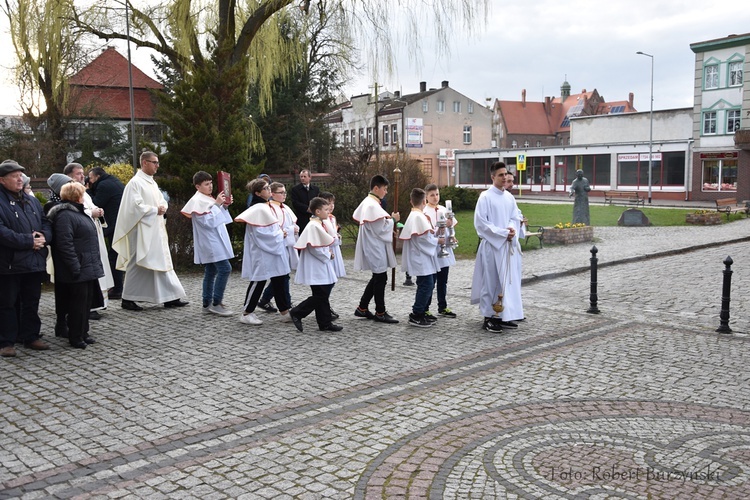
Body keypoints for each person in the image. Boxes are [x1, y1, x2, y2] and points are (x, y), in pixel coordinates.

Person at [112, 151, 188, 311]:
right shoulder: (135, 183)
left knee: (161, 261)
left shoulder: (151, 183)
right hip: (141, 231)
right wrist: (155, 210)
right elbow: (135, 206)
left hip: (155, 229)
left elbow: (161, 200)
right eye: (154, 162)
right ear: (144, 163)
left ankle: (169, 297)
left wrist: (163, 207)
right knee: (138, 262)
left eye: (157, 162)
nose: (157, 166)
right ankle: (127, 298)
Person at [0, 159, 51, 357]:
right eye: (14, 176)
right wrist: (28, 241)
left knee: (32, 301)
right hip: (9, 263)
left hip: (34, 261)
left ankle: (30, 336)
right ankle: (6, 342)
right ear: (2, 180)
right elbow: (2, 232)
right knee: (7, 303)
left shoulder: (31, 200)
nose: (19, 179)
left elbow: (45, 221)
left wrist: (44, 238)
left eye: (21, 175)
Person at [47, 182, 104, 349]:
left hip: (87, 266)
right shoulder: (65, 215)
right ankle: (75, 336)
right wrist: (75, 266)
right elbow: (65, 244)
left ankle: (83, 332)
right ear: (77, 196)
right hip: (77, 268)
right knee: (77, 304)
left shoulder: (78, 213)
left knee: (85, 303)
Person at [234, 178, 293, 325]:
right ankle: (247, 312)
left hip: (273, 249)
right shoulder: (258, 208)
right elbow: (261, 233)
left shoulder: (265, 206)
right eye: (266, 188)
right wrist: (281, 234)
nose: (269, 190)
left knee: (279, 278)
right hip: (263, 251)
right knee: (259, 281)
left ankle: (285, 311)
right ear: (258, 193)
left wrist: (280, 233)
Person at [470, 161, 518, 333]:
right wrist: (502, 233)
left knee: (506, 282)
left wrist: (512, 230)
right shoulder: (485, 197)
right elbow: (481, 224)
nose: (504, 177)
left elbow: (515, 217)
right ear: (492, 177)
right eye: (500, 175)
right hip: (492, 246)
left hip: (506, 246)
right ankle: (489, 317)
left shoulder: (509, 197)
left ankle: (504, 314)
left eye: (506, 174)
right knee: (490, 282)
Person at [181, 171, 235, 317]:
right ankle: (216, 303)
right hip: (210, 241)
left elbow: (218, 216)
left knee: (211, 270)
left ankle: (207, 303)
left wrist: (224, 206)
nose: (210, 186)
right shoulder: (197, 201)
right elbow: (208, 222)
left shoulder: (206, 198)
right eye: (206, 184)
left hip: (214, 238)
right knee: (225, 268)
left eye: (211, 183)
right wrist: (217, 205)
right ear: (198, 186)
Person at [63, 163, 114, 318]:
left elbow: (90, 207)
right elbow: (71, 210)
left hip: (94, 233)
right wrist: (92, 212)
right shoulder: (68, 191)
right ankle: (89, 307)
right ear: (69, 175)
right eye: (78, 173)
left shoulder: (84, 192)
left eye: (82, 173)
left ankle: (98, 303)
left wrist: (98, 211)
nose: (82, 176)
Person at [288, 197, 342, 332]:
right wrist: (328, 255)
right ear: (317, 211)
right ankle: (297, 312)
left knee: (322, 293)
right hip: (316, 265)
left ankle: (325, 323)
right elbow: (314, 247)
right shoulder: (313, 226)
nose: (328, 212)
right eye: (325, 210)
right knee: (321, 294)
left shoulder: (320, 223)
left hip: (321, 264)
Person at [352, 175, 400, 323]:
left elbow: (377, 225)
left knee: (377, 277)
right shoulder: (372, 205)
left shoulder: (370, 202)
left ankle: (362, 308)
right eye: (384, 189)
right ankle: (380, 311)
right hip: (374, 246)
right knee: (380, 278)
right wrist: (393, 220)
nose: (386, 192)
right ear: (376, 188)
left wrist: (389, 224)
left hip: (374, 243)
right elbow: (380, 228)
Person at [399, 188, 440, 328]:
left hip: (421, 256)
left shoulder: (416, 215)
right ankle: (416, 314)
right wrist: (437, 241)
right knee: (426, 285)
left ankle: (420, 312)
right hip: (420, 257)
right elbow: (423, 240)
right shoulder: (418, 216)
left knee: (425, 284)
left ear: (411, 201)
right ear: (424, 200)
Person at [257, 182, 299, 314]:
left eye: (285, 192)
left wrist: (294, 229)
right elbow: (276, 228)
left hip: (286, 244)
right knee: (281, 275)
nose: (284, 195)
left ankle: (266, 299)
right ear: (273, 194)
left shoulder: (284, 207)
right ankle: (285, 303)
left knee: (282, 275)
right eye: (281, 192)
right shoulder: (270, 209)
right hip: (278, 244)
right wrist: (289, 231)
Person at [87, 166, 125, 300]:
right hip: (119, 223)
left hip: (112, 225)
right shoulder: (114, 181)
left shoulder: (103, 185)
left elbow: (96, 203)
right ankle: (117, 287)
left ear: (97, 176)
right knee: (116, 255)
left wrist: (87, 191)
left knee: (113, 257)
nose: (89, 181)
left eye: (90, 178)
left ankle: (117, 288)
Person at [423, 183, 457, 319]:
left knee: (443, 280)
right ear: (426, 197)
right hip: (433, 250)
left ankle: (442, 306)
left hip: (445, 249)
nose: (435, 197)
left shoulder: (443, 209)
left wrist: (452, 236)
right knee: (431, 281)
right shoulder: (425, 212)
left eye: (437, 194)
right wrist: (439, 231)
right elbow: (428, 233)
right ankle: (425, 307)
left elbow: (451, 229)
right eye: (432, 195)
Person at [502, 172, 527, 325]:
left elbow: (516, 217)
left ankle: (515, 311)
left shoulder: (511, 199)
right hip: (503, 244)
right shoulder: (496, 199)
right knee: (507, 281)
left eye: (512, 181)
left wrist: (520, 223)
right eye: (508, 181)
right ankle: (504, 312)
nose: (511, 184)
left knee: (515, 280)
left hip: (513, 246)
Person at [318, 191, 344, 320]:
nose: (332, 205)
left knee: (332, 280)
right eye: (328, 203)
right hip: (326, 250)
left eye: (333, 202)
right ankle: (323, 305)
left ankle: (324, 304)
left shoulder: (332, 218)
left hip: (334, 249)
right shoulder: (319, 219)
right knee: (326, 281)